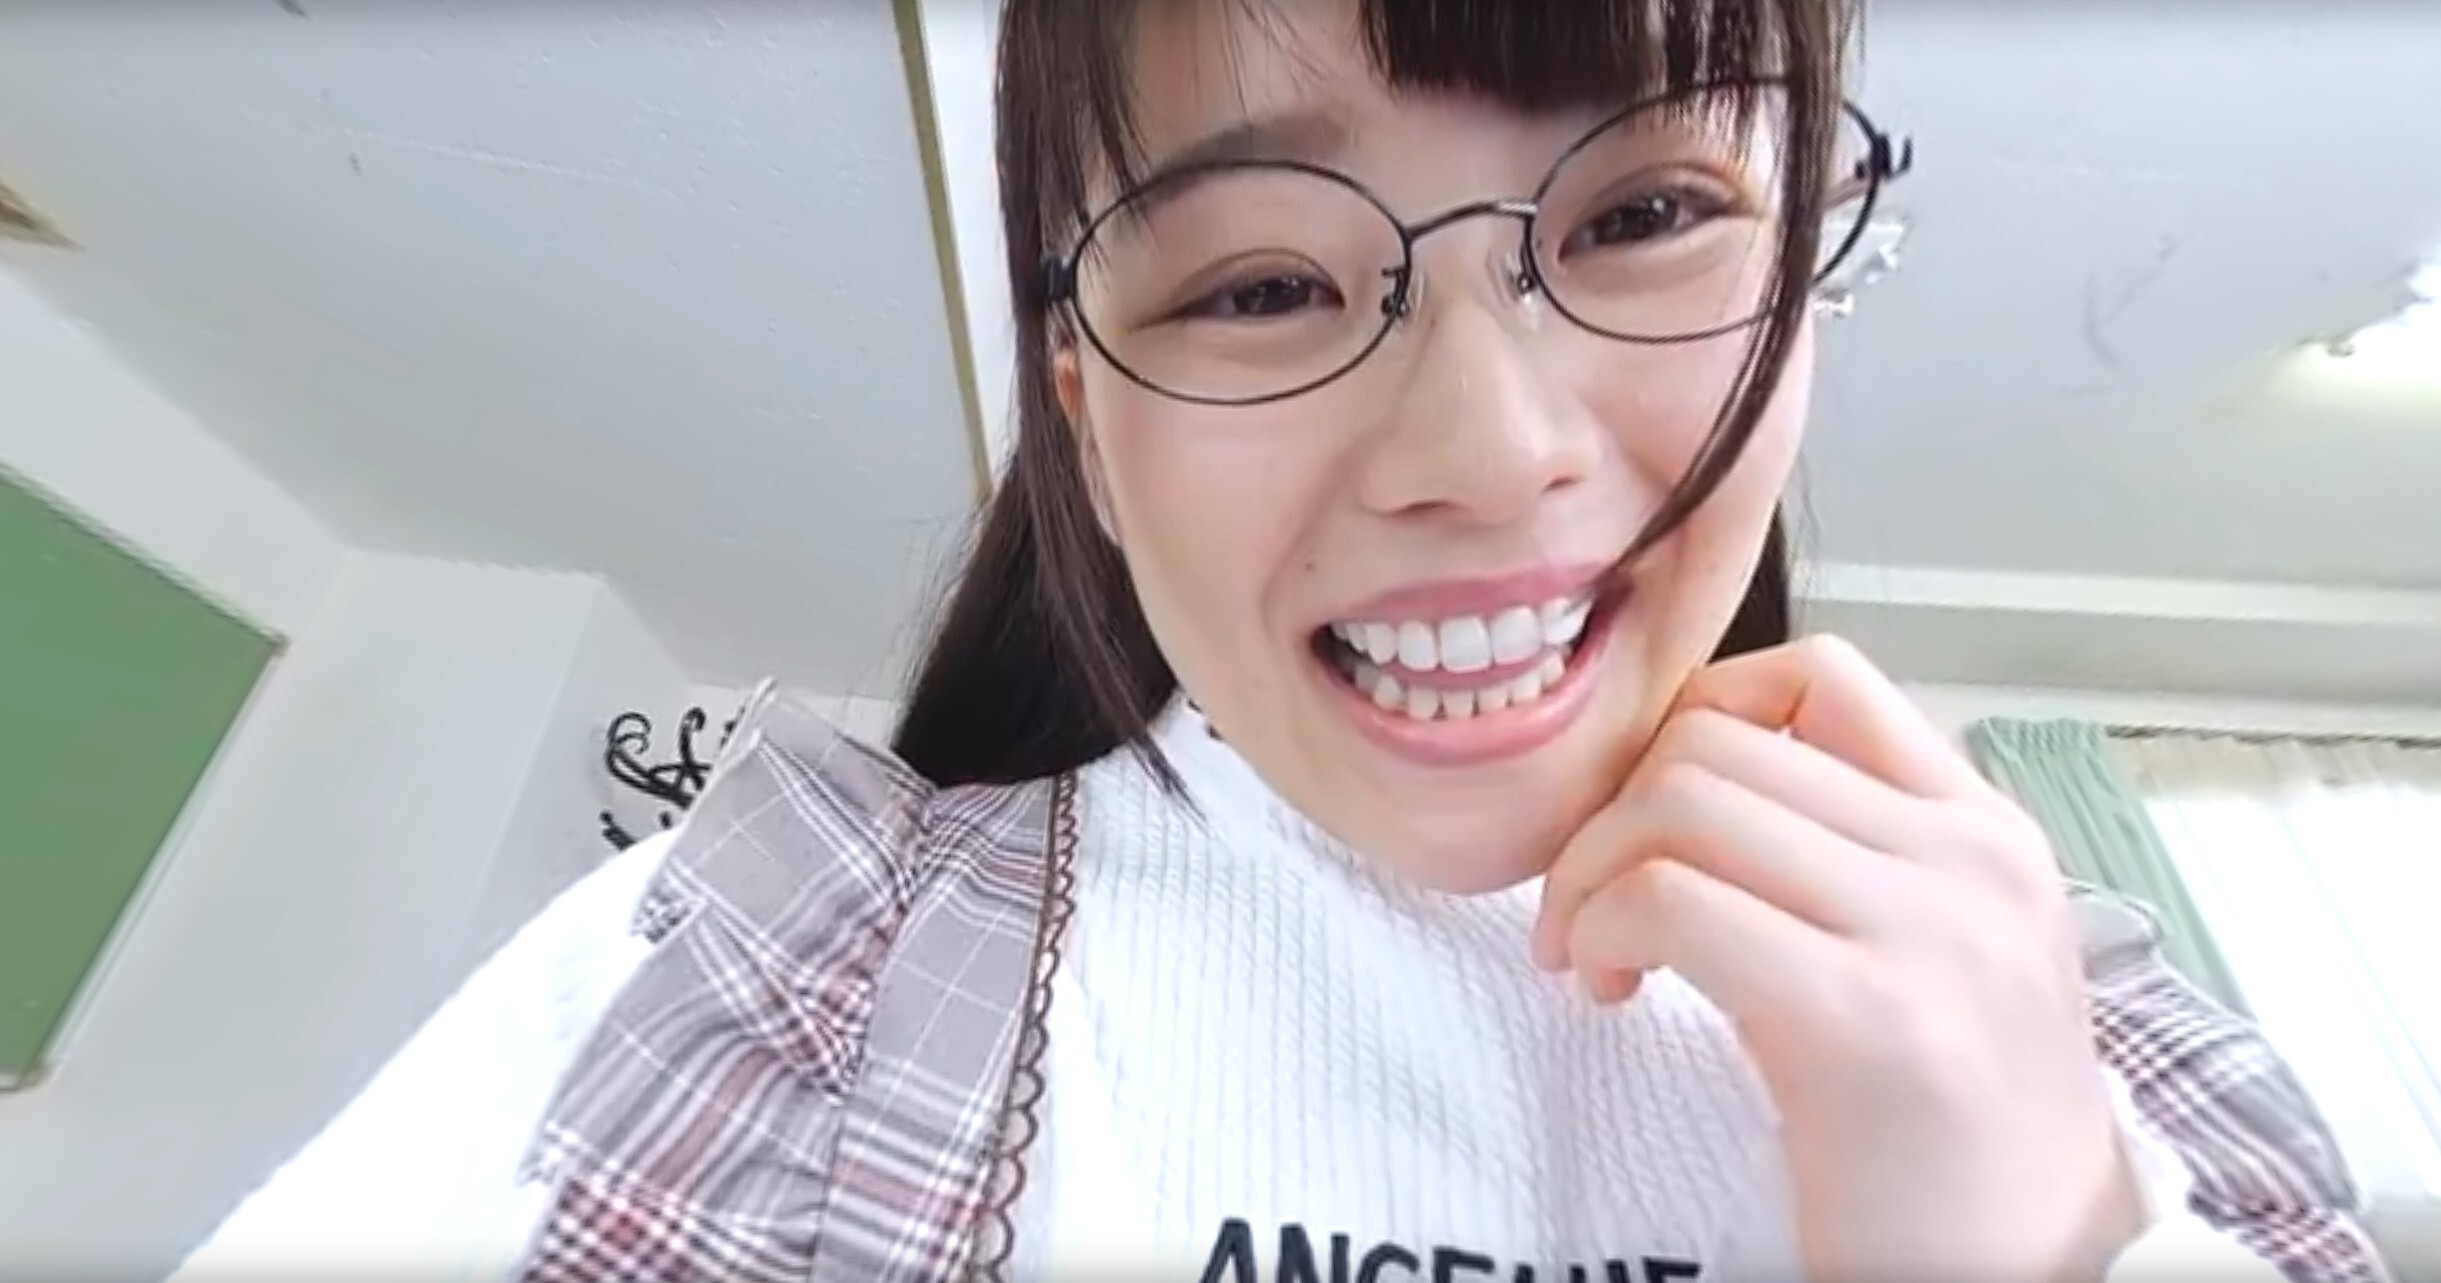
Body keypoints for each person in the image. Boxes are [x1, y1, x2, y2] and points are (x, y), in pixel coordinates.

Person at [173, 1, 2394, 1280]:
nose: (1486, 450)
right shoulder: (784, 962)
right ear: (1086, 412)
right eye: (1259, 283)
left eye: (1645, 215)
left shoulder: (2091, 1026)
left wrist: (2049, 1235)